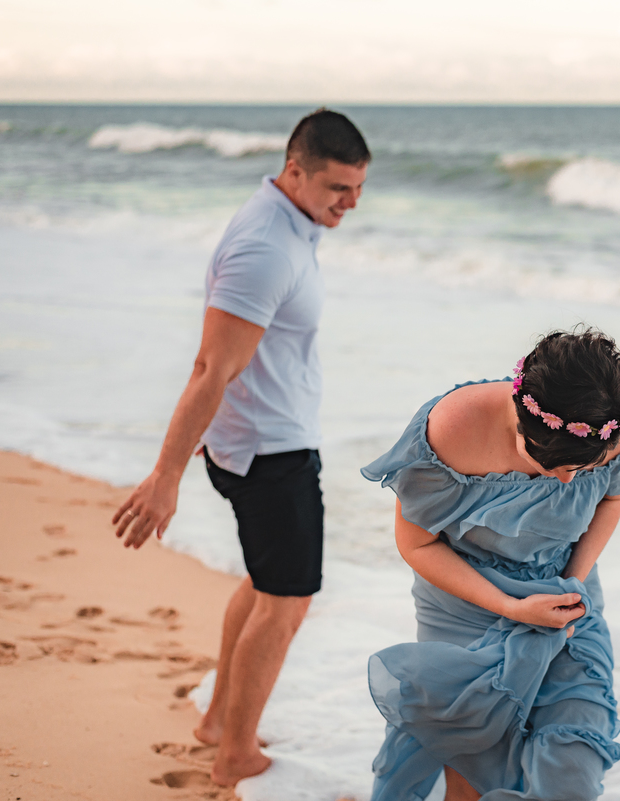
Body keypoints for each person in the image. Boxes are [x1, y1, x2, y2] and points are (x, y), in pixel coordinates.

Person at [110, 109, 370, 786]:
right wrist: (164, 475)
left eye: (358, 189)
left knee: (265, 581)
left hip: (260, 442)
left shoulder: (290, 223)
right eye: (338, 188)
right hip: (269, 454)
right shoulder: (266, 247)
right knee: (285, 600)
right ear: (295, 171)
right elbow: (210, 367)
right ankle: (236, 751)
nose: (350, 202)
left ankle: (220, 721)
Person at [360, 328, 620, 801]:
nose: (564, 479)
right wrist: (511, 608)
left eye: (582, 468)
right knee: (470, 759)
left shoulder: (617, 428)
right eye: (546, 462)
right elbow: (418, 546)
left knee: (574, 766)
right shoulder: (451, 428)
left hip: (566, 597)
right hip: (465, 601)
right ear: (518, 419)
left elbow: (611, 500)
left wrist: (572, 582)